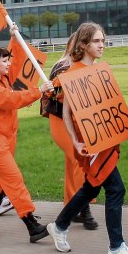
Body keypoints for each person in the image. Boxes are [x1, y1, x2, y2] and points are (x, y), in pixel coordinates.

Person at [46, 23, 128, 254]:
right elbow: (66, 113)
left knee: (91, 186)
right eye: (97, 41)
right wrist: (75, 141)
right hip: (90, 143)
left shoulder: (100, 70)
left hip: (105, 140)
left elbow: (109, 106)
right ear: (83, 45)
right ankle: (116, 247)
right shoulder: (71, 73)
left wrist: (125, 127)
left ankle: (59, 226)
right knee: (115, 189)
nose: (102, 45)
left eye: (103, 40)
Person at [0, 39, 53, 243]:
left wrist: (16, 36)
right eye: (4, 61)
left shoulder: (2, 79)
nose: (8, 64)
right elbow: (8, 101)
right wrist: (39, 91)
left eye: (8, 60)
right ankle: (31, 223)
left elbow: (17, 69)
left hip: (5, 138)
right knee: (13, 180)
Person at [41, 36, 97, 230]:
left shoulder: (88, 66)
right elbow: (58, 95)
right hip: (61, 120)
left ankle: (71, 204)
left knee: (73, 162)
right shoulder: (64, 66)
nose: (100, 45)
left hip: (78, 120)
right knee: (79, 161)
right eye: (95, 41)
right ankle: (82, 207)